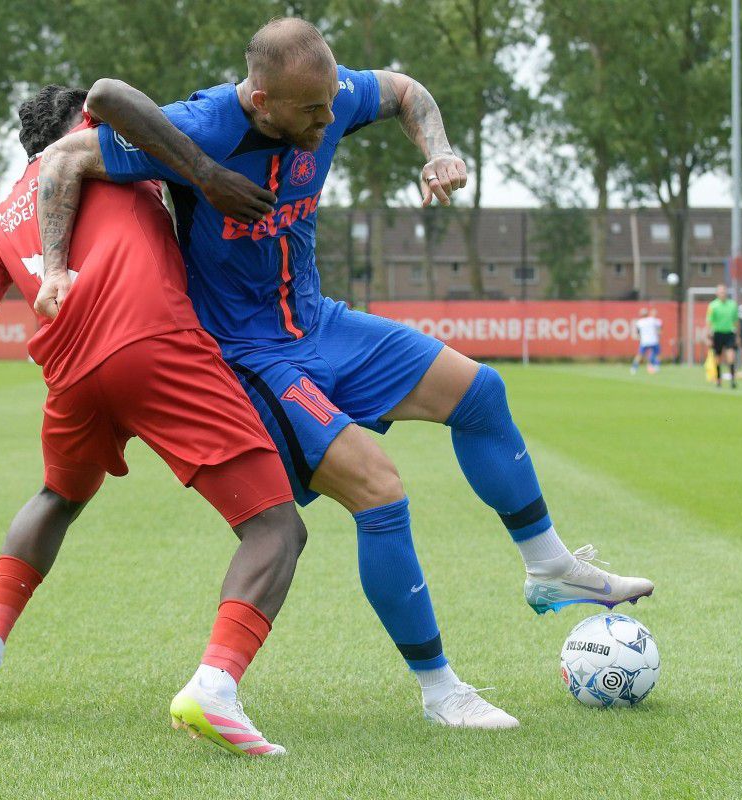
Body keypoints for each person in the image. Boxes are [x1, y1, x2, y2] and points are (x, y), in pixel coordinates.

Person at [34, 17, 653, 730]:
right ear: (261, 101)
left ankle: (548, 568)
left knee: (481, 392)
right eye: (312, 111)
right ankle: (440, 691)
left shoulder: (331, 97)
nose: (331, 119)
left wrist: (439, 152)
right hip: (250, 356)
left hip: (319, 322)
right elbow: (65, 159)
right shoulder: (203, 126)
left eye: (333, 102)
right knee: (381, 491)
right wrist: (59, 265)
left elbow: (406, 91)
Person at [0, 85, 310, 757]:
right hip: (154, 345)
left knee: (58, 496)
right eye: (89, 116)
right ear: (78, 124)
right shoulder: (113, 154)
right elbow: (142, 113)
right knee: (277, 528)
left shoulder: (4, 215)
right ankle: (215, 687)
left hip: (70, 373)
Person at [707, 284, 738, 388]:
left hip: (729, 333)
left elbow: (735, 321)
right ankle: (719, 379)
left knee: (731, 357)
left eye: (724, 291)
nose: (722, 293)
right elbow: (709, 322)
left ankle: (733, 380)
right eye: (720, 292)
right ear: (717, 293)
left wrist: (737, 335)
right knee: (718, 358)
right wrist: (709, 337)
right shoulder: (713, 305)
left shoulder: (732, 305)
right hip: (717, 334)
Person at [631, 308, 662, 374]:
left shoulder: (639, 322)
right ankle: (656, 366)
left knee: (640, 355)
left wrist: (639, 337)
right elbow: (659, 324)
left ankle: (634, 367)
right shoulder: (652, 320)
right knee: (657, 354)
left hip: (644, 341)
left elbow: (637, 333)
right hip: (653, 340)